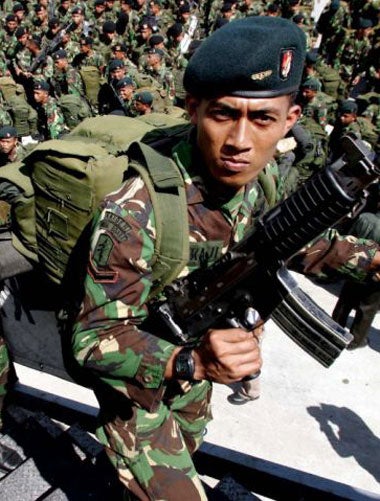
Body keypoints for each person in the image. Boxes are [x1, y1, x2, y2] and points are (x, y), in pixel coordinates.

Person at [71, 16, 380, 500]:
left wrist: (369, 258)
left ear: (290, 119)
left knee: (190, 444)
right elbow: (91, 340)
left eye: (262, 119)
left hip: (199, 361)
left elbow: (288, 241)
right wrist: (190, 362)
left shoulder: (261, 180)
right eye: (223, 115)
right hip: (139, 373)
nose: (240, 141)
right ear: (194, 109)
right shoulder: (137, 209)